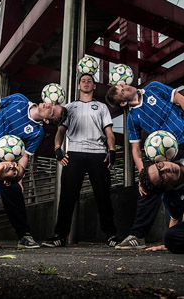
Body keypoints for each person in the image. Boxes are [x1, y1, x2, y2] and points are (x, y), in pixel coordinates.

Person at [105, 81, 184, 249]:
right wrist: (143, 176)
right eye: (122, 91)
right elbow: (136, 150)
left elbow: (182, 100)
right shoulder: (132, 118)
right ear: (123, 102)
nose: (126, 87)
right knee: (150, 185)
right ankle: (137, 236)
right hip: (166, 156)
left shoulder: (154, 88)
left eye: (123, 86)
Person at [0, 93, 67, 249]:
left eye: (51, 111)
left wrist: (18, 177)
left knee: (13, 188)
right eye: (51, 104)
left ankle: (24, 236)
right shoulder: (19, 99)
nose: (48, 106)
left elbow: (24, 157)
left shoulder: (36, 133)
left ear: (46, 120)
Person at [41, 74, 119, 247]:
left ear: (94, 86)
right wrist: (57, 150)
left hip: (98, 154)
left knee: (103, 197)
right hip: (74, 154)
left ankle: (111, 235)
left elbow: (109, 133)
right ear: (78, 86)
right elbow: (60, 131)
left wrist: (112, 151)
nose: (86, 82)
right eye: (83, 81)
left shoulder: (101, 107)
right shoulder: (69, 107)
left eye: (89, 81)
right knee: (67, 197)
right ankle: (60, 236)